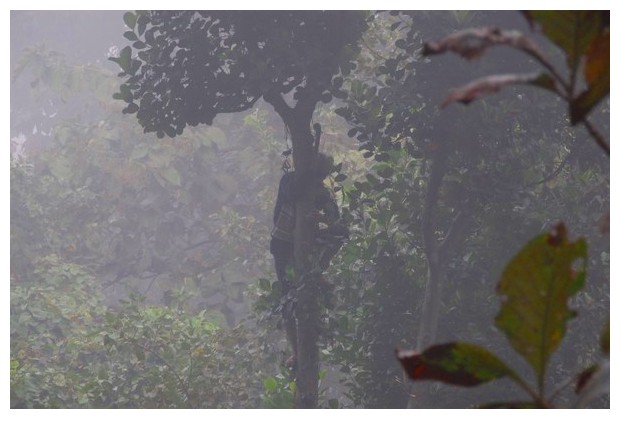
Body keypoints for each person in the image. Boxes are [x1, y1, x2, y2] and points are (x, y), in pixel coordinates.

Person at [270, 152, 347, 367]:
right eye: (316, 174)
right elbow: (293, 194)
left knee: (342, 233)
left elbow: (335, 218)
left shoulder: (321, 192)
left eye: (321, 175)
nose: (319, 180)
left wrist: (320, 217)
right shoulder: (289, 180)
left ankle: (318, 271)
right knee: (288, 300)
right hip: (283, 243)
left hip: (307, 242)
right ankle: (296, 353)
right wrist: (306, 180)